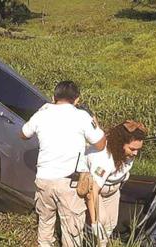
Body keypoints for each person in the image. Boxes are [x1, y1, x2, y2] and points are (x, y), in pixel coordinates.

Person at [21, 80, 106, 247]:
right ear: (77, 99)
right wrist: (93, 120)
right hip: (69, 183)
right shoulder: (82, 116)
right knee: (72, 231)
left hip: (44, 179)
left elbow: (23, 134)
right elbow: (101, 144)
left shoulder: (42, 113)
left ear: (53, 97)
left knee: (45, 222)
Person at [84, 120, 148, 246]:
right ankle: (88, 240)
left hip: (113, 190)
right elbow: (92, 192)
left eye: (138, 149)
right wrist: (95, 222)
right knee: (100, 222)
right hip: (98, 190)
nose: (136, 153)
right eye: (132, 149)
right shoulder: (104, 160)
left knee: (111, 224)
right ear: (120, 144)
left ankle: (101, 243)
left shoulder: (127, 154)